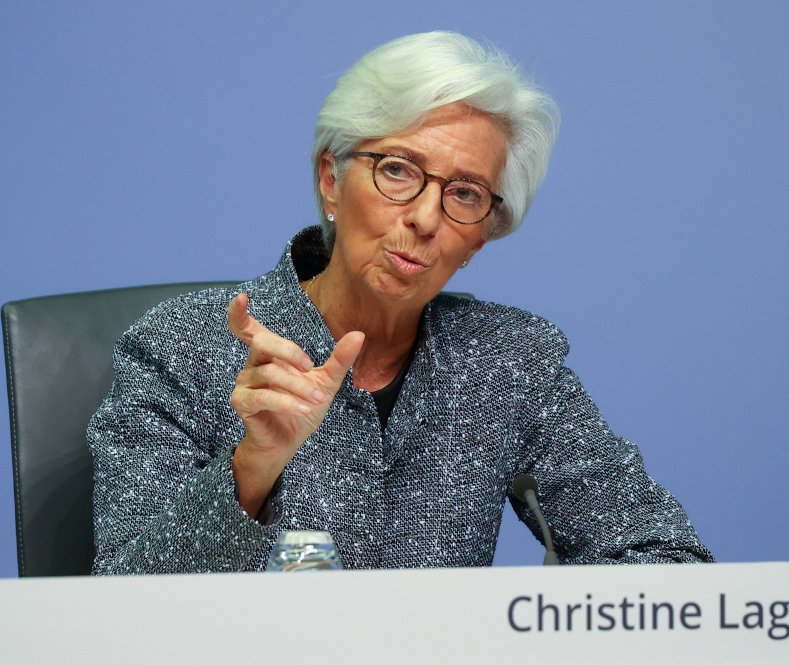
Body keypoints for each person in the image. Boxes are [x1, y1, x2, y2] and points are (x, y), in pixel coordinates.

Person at [88, 31, 713, 574]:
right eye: (396, 170)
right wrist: (253, 464)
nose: (423, 218)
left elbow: (666, 561)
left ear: (481, 237)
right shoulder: (183, 348)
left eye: (465, 194)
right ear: (331, 179)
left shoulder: (509, 363)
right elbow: (122, 596)